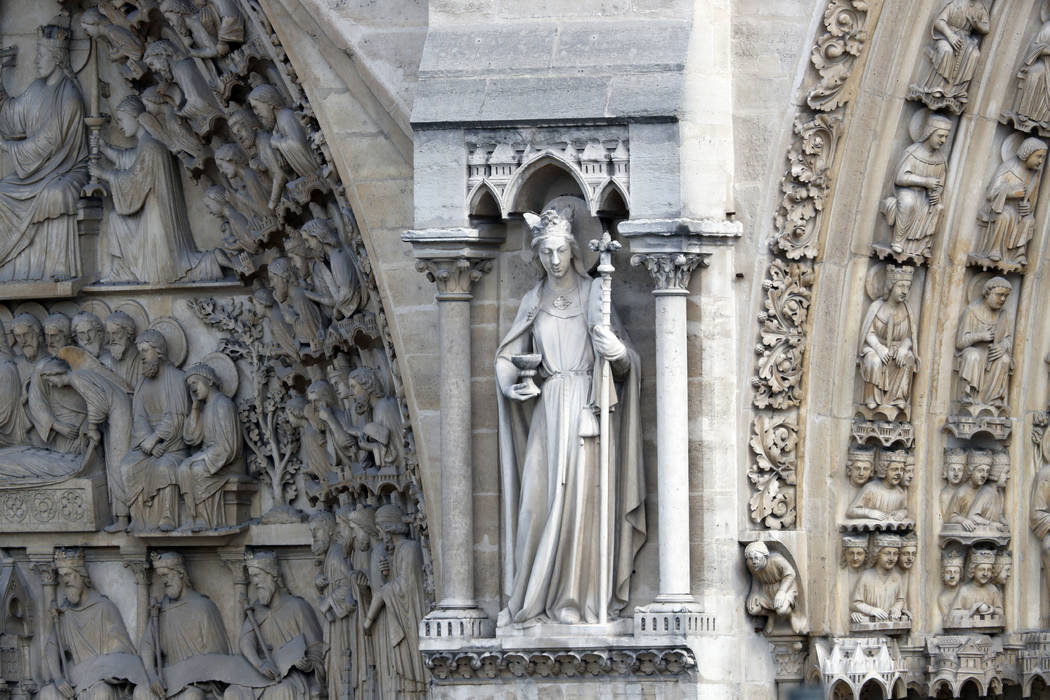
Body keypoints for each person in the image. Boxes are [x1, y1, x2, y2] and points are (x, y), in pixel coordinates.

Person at [496, 207, 645, 625]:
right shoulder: (533, 299)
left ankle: (575, 601)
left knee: (582, 503)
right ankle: (531, 599)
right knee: (536, 505)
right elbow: (508, 354)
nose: (553, 260)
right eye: (545, 253)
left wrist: (617, 355)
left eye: (560, 250)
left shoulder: (595, 293)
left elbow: (624, 360)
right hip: (548, 405)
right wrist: (512, 383)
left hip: (585, 406)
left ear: (573, 249)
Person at [92, 95, 218, 284]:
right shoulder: (148, 143)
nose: (119, 125)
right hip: (149, 216)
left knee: (116, 220)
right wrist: (104, 148)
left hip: (154, 220)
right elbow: (131, 159)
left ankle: (127, 271)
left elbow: (135, 179)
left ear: (134, 117)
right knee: (115, 220)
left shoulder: (150, 146)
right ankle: (123, 271)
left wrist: (104, 174)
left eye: (121, 120)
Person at [0, 18, 88, 281]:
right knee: (1, 192)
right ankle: (11, 269)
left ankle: (55, 269)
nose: (37, 59)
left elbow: (49, 142)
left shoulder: (69, 96)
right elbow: (10, 118)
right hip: (36, 173)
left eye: (42, 54)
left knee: (55, 193)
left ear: (58, 57)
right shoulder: (36, 89)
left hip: (67, 169)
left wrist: (7, 147)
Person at [39, 548, 146, 700]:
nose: (65, 581)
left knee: (101, 692)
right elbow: (51, 648)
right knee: (47, 693)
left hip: (101, 680)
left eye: (69, 574)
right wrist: (59, 679)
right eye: (62, 576)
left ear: (81, 575)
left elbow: (123, 649)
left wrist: (104, 670)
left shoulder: (103, 607)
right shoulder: (65, 613)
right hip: (76, 680)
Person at [224, 551, 324, 700]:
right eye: (252, 578)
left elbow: (317, 650)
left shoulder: (297, 607)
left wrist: (308, 665)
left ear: (273, 575)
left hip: (289, 675)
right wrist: (260, 665)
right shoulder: (256, 610)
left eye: (258, 576)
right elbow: (246, 642)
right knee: (232, 693)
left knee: (282, 691)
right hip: (260, 673)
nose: (255, 582)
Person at [122, 330, 189, 531]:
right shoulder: (142, 382)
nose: (141, 356)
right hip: (148, 445)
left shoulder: (176, 378)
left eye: (145, 351)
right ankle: (139, 520)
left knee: (165, 467)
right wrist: (148, 445)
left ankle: (168, 516)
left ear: (159, 351)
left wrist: (157, 440)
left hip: (173, 445)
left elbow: (176, 416)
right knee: (128, 465)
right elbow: (139, 417)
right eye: (139, 352)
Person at [363, 503, 426, 698]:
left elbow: (408, 587)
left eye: (381, 530)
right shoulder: (397, 552)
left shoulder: (410, 548)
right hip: (401, 615)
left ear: (388, 529)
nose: (381, 536)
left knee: (411, 669)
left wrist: (369, 619)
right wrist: (388, 573)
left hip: (411, 620)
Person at [177, 362, 243, 530]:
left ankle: (207, 520)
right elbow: (191, 438)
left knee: (197, 470)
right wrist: (195, 408)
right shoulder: (205, 408)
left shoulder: (223, 404)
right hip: (212, 457)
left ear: (210, 381)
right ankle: (192, 517)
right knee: (183, 469)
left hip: (227, 463)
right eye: (189, 385)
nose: (192, 389)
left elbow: (229, 447)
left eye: (195, 383)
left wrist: (200, 458)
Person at [881, 115, 951, 258]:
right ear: (930, 133)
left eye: (946, 137)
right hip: (908, 191)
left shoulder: (941, 159)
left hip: (926, 196)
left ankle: (924, 245)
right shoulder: (912, 152)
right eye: (940, 136)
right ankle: (898, 240)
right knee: (908, 202)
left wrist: (936, 194)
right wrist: (924, 181)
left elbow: (940, 184)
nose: (943, 141)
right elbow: (900, 178)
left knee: (939, 207)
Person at [972, 137, 1047, 269]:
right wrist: (1011, 194)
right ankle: (994, 250)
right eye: (1038, 156)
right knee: (1004, 216)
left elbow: (1032, 199)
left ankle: (1018, 254)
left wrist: (1027, 207)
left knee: (1029, 220)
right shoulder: (1008, 168)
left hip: (1018, 211)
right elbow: (991, 192)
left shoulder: (1035, 175)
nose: (1041, 161)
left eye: (1042, 157)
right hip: (998, 207)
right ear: (1027, 154)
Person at [858, 265, 918, 421]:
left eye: (908, 287)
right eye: (901, 286)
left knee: (908, 359)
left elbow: (910, 336)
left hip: (897, 349)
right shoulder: (877, 307)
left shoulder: (906, 309)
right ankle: (872, 398)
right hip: (876, 347)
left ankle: (898, 397)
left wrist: (904, 348)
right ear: (891, 286)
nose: (905, 291)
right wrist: (878, 348)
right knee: (873, 360)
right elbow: (868, 333)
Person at [910, 0, 990, 110]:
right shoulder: (956, 3)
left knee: (975, 55)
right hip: (946, 36)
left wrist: (978, 25)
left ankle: (957, 91)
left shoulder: (979, 8)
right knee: (946, 51)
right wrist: (950, 36)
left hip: (965, 41)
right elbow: (939, 21)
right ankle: (936, 87)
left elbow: (986, 28)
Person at [955, 277, 1013, 412]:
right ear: (987, 294)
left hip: (992, 356)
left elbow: (1008, 339)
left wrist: (1003, 347)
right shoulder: (971, 311)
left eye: (1006, 296)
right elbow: (960, 342)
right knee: (973, 356)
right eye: (999, 295)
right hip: (973, 352)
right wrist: (979, 336)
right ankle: (968, 396)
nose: (1003, 299)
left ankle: (992, 400)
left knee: (1004, 360)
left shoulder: (1003, 315)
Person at [743, 541, 806, 634]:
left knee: (781, 610)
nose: (754, 562)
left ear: (765, 556)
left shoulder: (776, 560)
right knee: (752, 609)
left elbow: (790, 574)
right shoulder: (750, 564)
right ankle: (771, 615)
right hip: (766, 589)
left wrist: (781, 592)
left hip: (785, 587)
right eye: (751, 558)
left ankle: (792, 615)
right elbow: (755, 577)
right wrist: (754, 592)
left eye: (756, 558)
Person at [850, 534, 909, 625]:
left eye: (895, 554)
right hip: (870, 623)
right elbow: (856, 603)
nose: (891, 558)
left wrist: (896, 609)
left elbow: (900, 600)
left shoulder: (897, 577)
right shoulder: (866, 576)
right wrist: (871, 610)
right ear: (877, 554)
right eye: (887, 553)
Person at [101, 311, 144, 388]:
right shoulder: (104, 361)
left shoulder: (142, 361)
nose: (111, 340)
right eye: (109, 334)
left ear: (128, 333)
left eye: (116, 333)